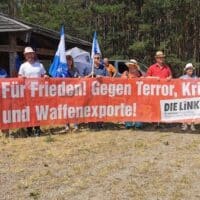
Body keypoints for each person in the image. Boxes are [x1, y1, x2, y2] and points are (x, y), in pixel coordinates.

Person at [18, 47, 48, 136]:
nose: (29, 55)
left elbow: (44, 75)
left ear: (33, 54)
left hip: (38, 92)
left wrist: (46, 76)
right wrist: (21, 78)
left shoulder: (40, 65)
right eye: (27, 54)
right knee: (28, 111)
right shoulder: (23, 66)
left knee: (38, 111)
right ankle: (29, 129)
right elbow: (19, 77)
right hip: (27, 92)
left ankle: (37, 129)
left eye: (30, 53)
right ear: (25, 56)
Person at [87, 53, 108, 130]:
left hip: (101, 92)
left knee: (100, 107)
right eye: (95, 58)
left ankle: (100, 122)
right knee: (91, 107)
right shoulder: (89, 67)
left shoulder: (103, 68)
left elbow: (108, 78)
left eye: (98, 58)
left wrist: (101, 77)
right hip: (91, 91)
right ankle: (91, 122)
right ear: (93, 59)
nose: (97, 59)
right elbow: (82, 79)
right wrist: (90, 75)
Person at [121, 59, 143, 129]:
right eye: (130, 66)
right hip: (128, 94)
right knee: (128, 108)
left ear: (135, 66)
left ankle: (138, 124)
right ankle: (128, 123)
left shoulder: (140, 74)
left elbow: (145, 81)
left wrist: (142, 79)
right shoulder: (126, 73)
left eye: (132, 66)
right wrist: (125, 79)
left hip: (138, 94)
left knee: (138, 108)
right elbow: (120, 81)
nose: (130, 67)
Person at [180, 63, 197, 131]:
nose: (190, 70)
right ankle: (185, 125)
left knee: (193, 111)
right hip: (184, 98)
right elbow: (176, 85)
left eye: (191, 69)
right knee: (184, 111)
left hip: (193, 98)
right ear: (186, 70)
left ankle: (192, 125)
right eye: (189, 69)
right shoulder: (182, 78)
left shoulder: (196, 78)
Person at [65, 54, 80, 132]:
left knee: (75, 109)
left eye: (70, 60)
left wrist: (79, 78)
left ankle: (76, 125)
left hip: (74, 92)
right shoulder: (63, 70)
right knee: (66, 109)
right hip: (65, 93)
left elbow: (79, 78)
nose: (69, 61)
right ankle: (67, 126)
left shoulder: (75, 69)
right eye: (67, 60)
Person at [0, 67, 9, 136]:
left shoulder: (2, 71)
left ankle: (5, 132)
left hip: (3, 96)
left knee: (4, 114)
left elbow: (6, 81)